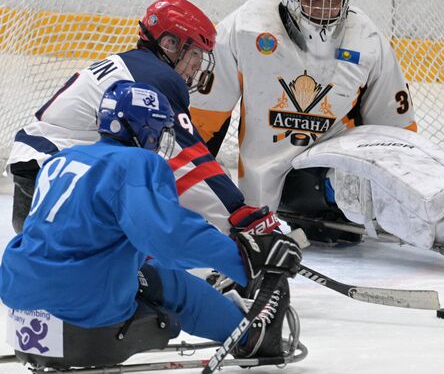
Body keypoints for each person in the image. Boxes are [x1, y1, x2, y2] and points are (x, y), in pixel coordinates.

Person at [189, 0, 444, 258]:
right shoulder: (247, 28)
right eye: (314, 1)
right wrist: (187, 195)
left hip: (336, 159)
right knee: (352, 185)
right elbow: (205, 122)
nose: (323, 13)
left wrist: (407, 180)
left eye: (332, 3)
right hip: (276, 179)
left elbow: (395, 136)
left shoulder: (366, 40)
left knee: (363, 179)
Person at [0, 81, 302, 363]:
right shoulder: (136, 162)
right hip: (82, 305)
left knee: (143, 267)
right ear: (146, 129)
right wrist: (247, 261)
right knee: (169, 282)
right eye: (160, 129)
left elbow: (86, 234)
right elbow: (170, 238)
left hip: (19, 293)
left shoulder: (61, 158)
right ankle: (251, 336)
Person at [7, 0, 279, 238]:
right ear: (170, 43)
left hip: (41, 175)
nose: (197, 65)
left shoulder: (132, 65)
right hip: (58, 181)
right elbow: (190, 158)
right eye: (194, 52)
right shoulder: (155, 77)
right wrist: (238, 214)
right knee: (147, 252)